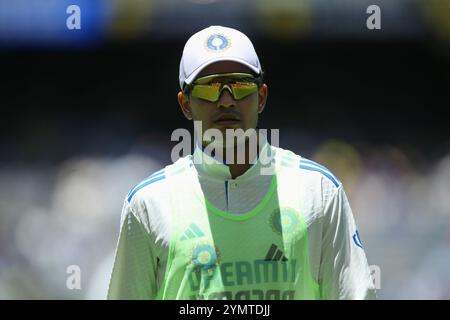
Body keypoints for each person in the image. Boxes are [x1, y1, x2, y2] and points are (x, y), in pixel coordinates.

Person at [107, 25, 376, 300]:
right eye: (209, 88)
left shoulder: (319, 192)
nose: (226, 100)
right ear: (185, 104)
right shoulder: (148, 204)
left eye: (240, 85)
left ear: (261, 97)